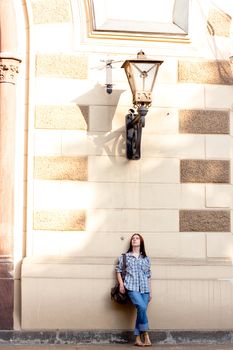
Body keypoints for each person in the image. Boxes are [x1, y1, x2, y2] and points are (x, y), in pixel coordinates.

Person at [116, 233, 152, 347]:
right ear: (131, 242)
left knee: (141, 311)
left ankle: (137, 337)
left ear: (141, 242)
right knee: (141, 307)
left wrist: (150, 291)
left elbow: (148, 275)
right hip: (131, 287)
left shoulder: (146, 259)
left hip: (145, 288)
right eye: (133, 239)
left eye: (137, 238)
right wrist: (121, 284)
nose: (135, 240)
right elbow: (118, 271)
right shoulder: (124, 257)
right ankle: (145, 334)